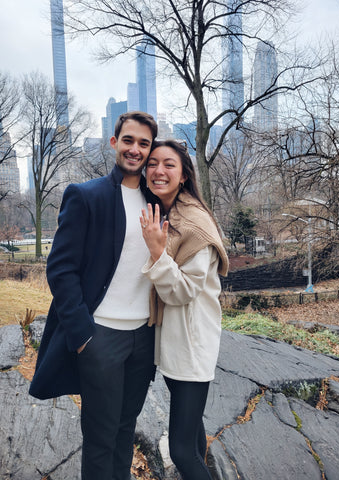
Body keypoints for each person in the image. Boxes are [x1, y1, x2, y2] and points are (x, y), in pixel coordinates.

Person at [29, 111, 159, 480]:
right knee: (101, 438)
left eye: (144, 143)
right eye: (129, 140)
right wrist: (83, 335)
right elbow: (60, 268)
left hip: (144, 338)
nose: (136, 149)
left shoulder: (157, 202)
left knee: (124, 431)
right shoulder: (86, 196)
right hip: (101, 336)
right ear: (114, 142)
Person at [139, 140, 229, 480]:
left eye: (169, 164)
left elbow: (183, 291)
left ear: (184, 174)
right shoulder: (166, 211)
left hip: (191, 349)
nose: (159, 170)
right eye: (153, 163)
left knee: (180, 450)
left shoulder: (193, 223)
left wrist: (157, 253)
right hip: (178, 348)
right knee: (192, 438)